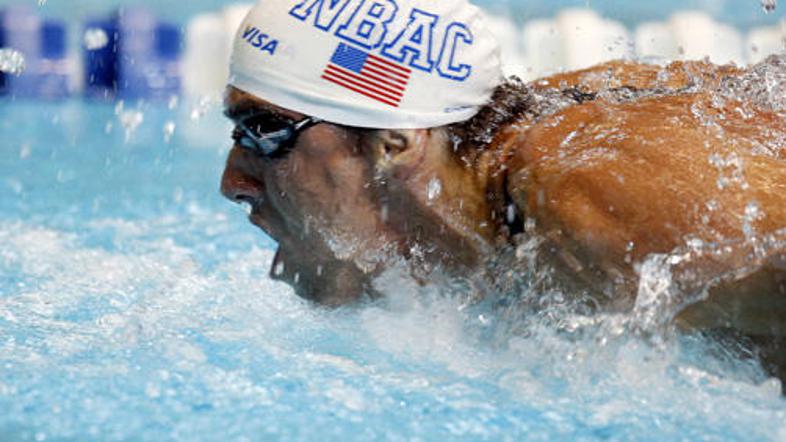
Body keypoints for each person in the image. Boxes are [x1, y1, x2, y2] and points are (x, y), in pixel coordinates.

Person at [220, 0, 786, 381]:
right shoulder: (499, 171)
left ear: (394, 144)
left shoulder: (593, 202)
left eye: (263, 133)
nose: (233, 181)